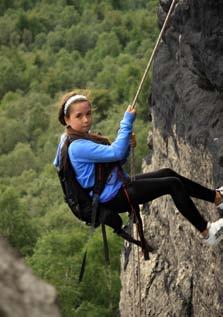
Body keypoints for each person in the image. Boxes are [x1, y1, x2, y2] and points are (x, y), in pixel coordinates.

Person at [54, 91, 223, 247]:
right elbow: (116, 152)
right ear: (67, 120)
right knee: (172, 184)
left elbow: (114, 159)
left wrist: (126, 147)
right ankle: (208, 233)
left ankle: (217, 198)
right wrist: (126, 121)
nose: (86, 119)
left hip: (115, 187)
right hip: (113, 196)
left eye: (88, 113)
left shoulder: (72, 138)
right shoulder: (77, 146)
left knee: (168, 174)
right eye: (79, 116)